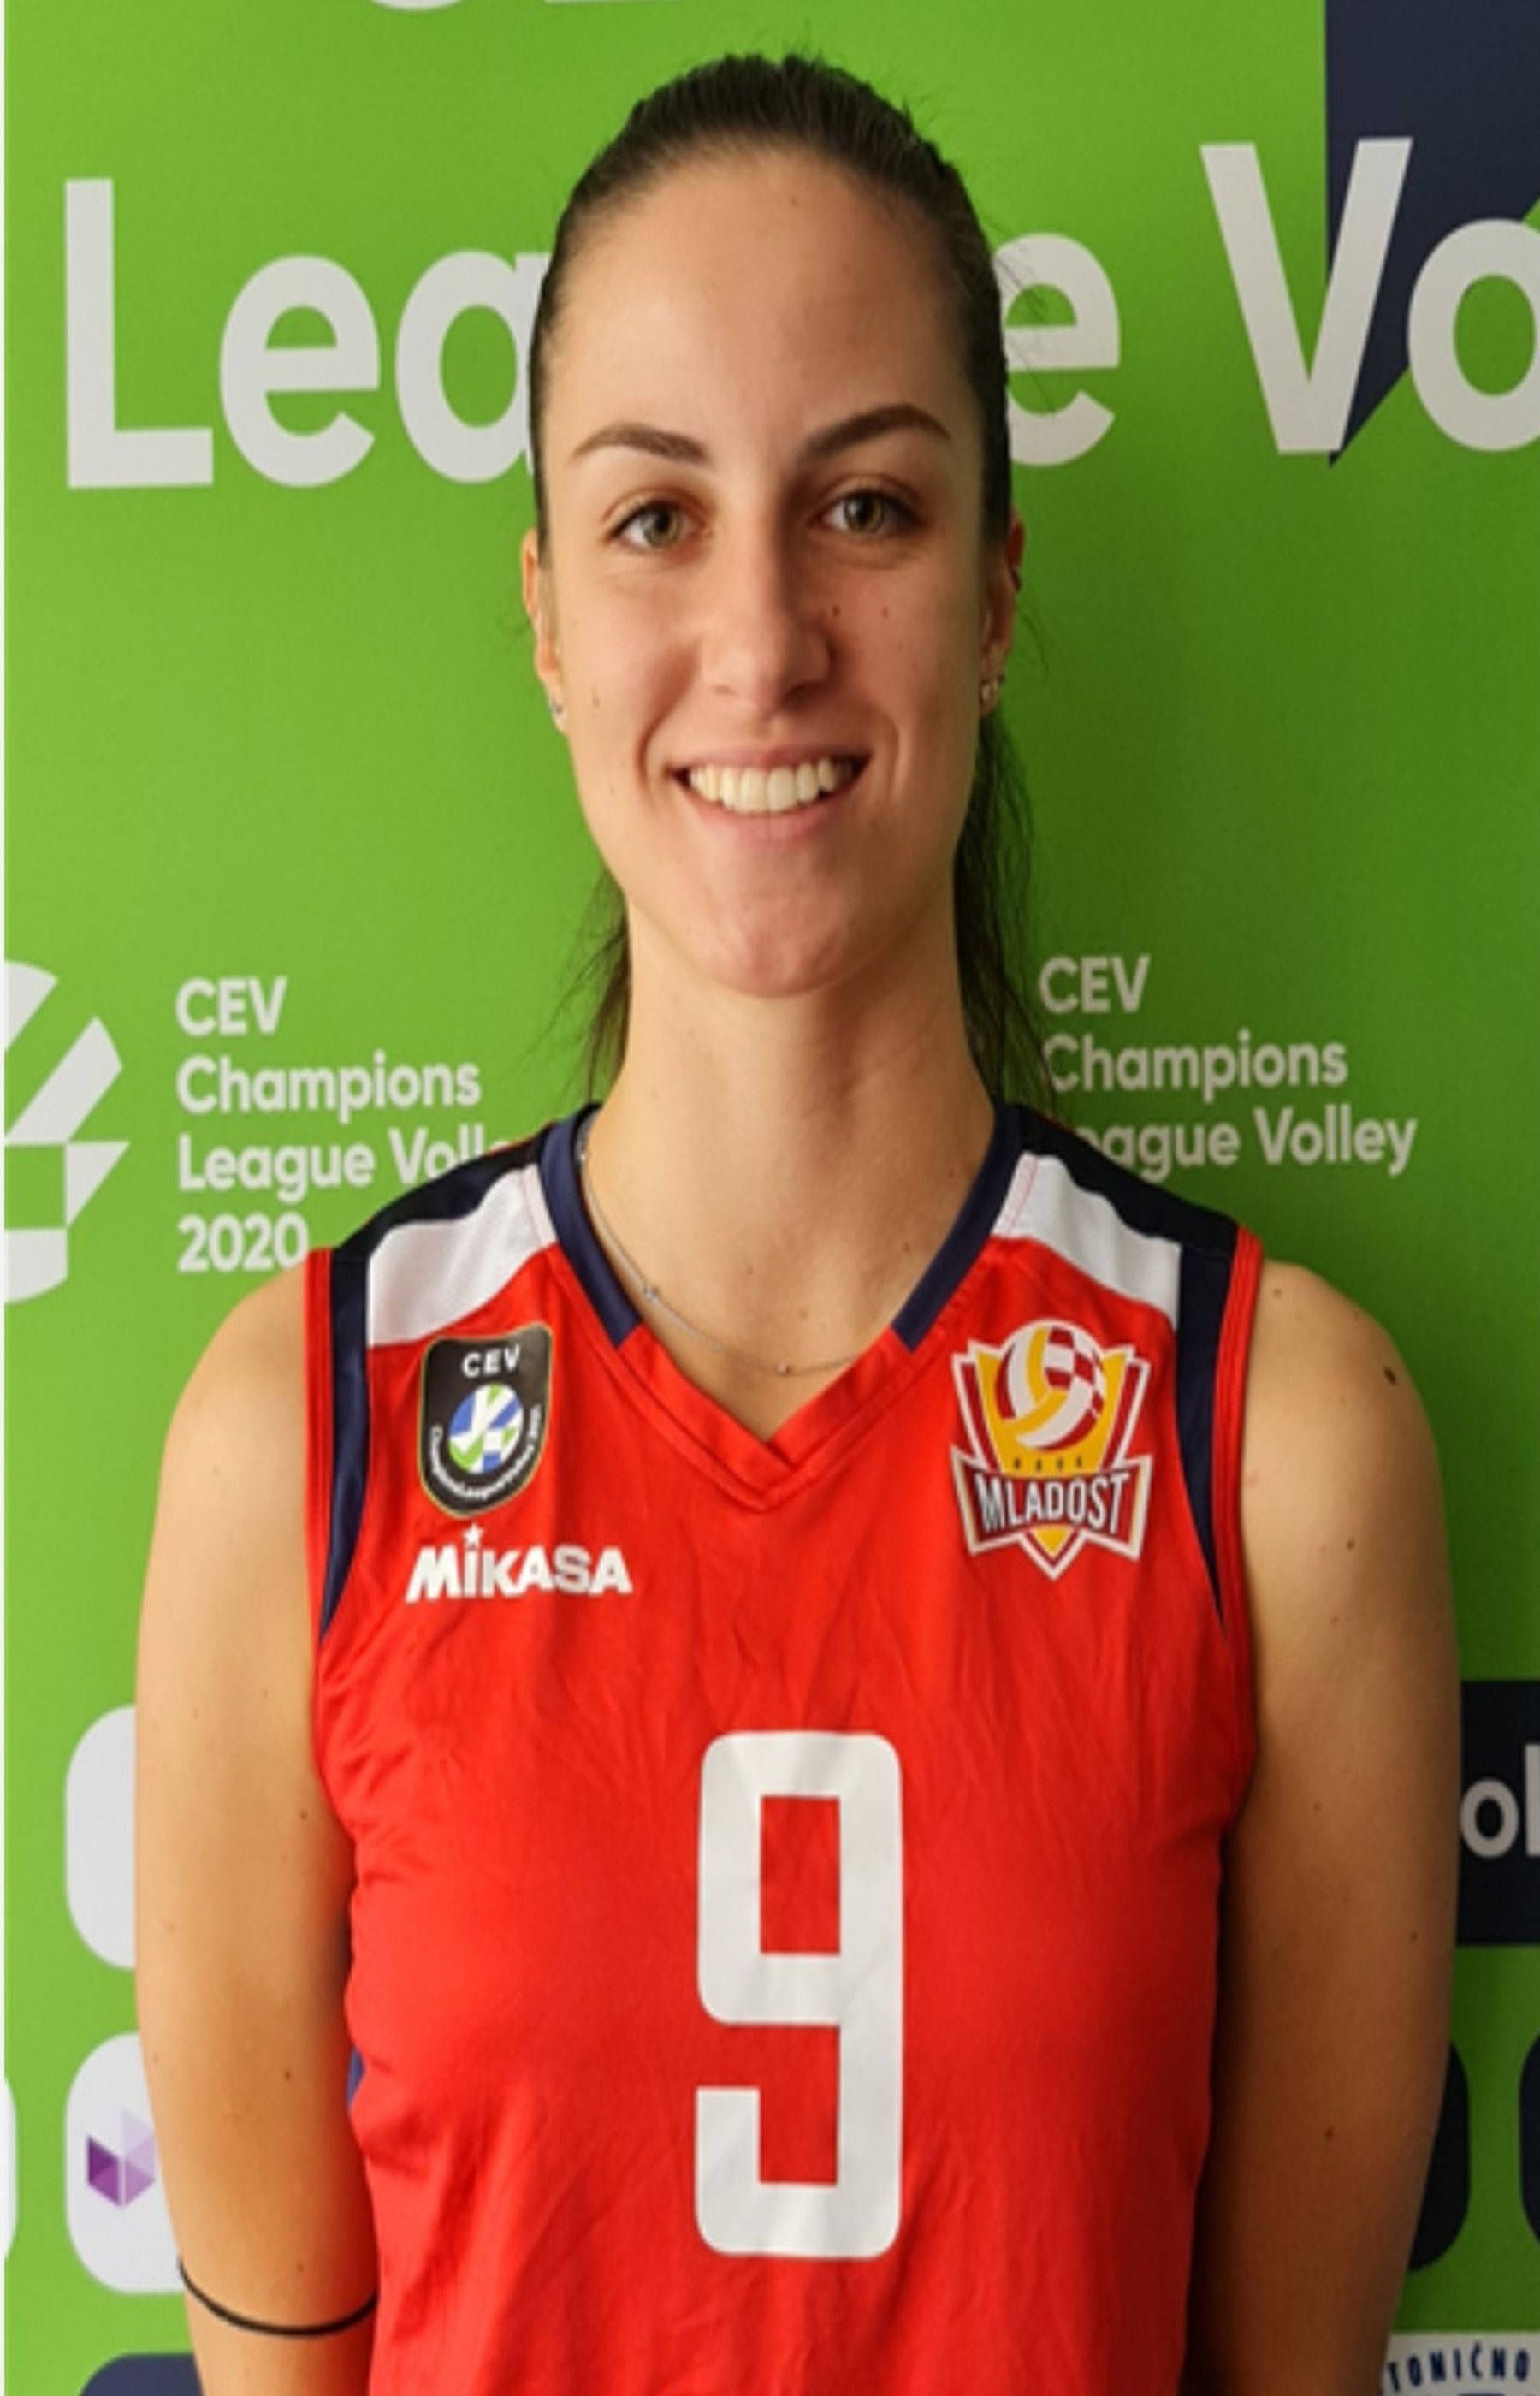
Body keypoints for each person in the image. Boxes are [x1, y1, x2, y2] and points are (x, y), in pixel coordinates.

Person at [135, 51, 1460, 2396]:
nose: (762, 641)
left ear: (997, 591)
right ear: (547, 615)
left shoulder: (1277, 1443)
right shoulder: (301, 1437)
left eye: (865, 506)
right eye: (656, 518)